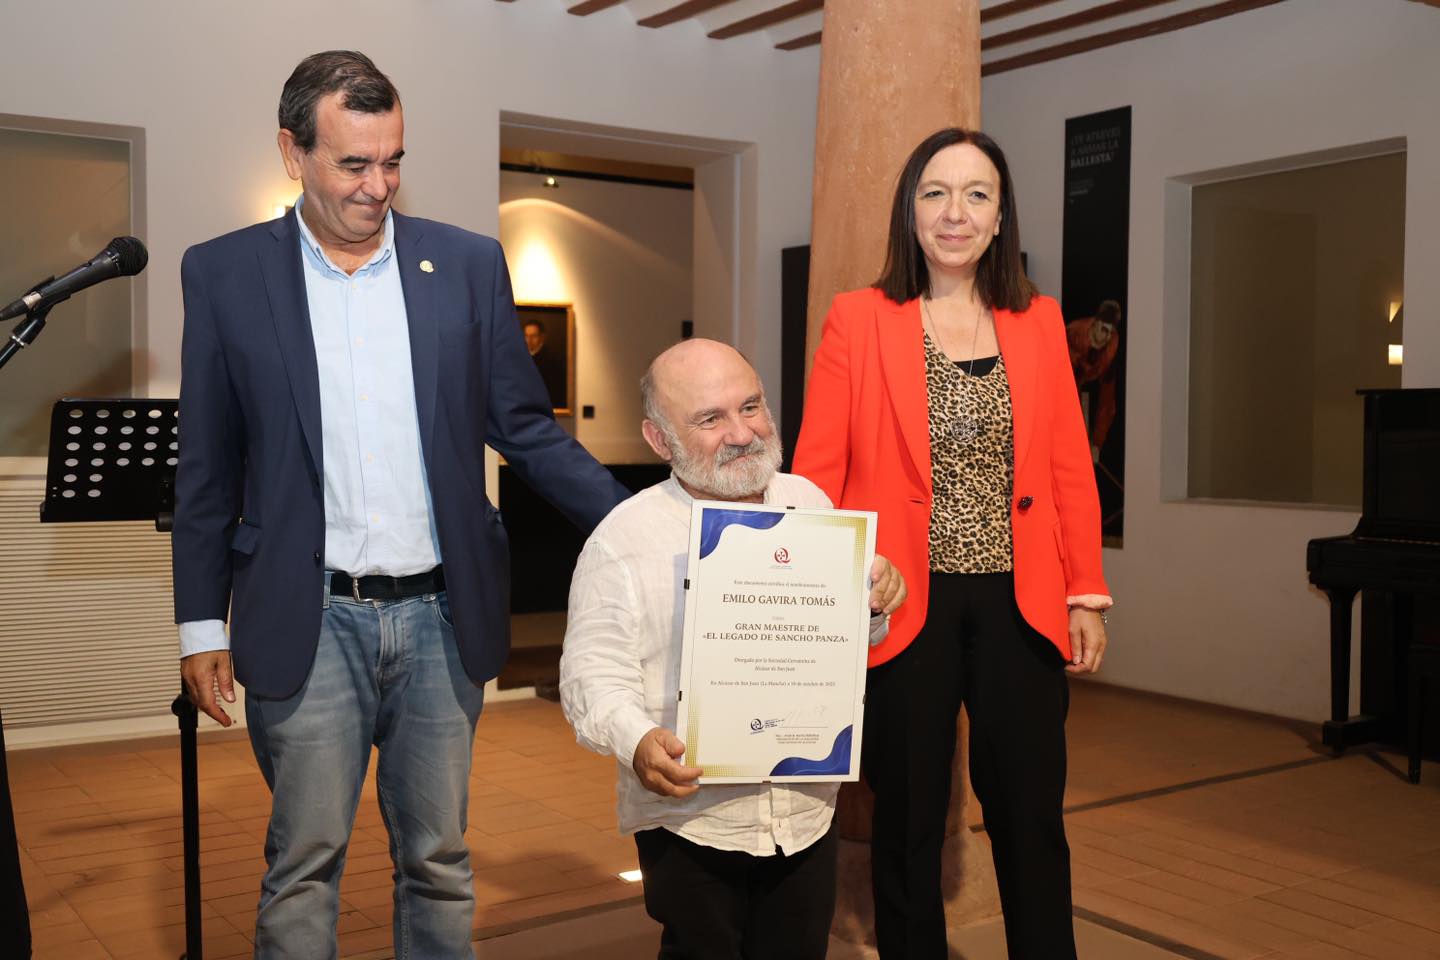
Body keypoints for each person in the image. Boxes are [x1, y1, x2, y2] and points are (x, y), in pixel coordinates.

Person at [171, 51, 629, 959]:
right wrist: (200, 625)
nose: (377, 187)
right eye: (353, 163)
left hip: (440, 621)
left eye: (392, 162)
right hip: (309, 617)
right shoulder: (224, 273)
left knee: (439, 860)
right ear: (292, 153)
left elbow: (525, 429)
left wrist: (639, 520)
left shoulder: (464, 264)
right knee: (304, 865)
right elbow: (207, 468)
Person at [793, 128, 1112, 959]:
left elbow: (1068, 468)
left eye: (977, 195)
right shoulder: (859, 319)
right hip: (902, 604)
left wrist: (1084, 592)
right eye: (935, 193)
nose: (955, 213)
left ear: (1001, 216)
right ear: (910, 211)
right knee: (905, 820)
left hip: (1020, 602)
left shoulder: (1039, 320)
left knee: (1031, 817)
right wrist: (833, 581)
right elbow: (817, 473)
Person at [559, 339, 907, 960]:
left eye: (751, 406)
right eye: (710, 418)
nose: (742, 433)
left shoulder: (810, 505)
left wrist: (875, 602)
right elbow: (592, 678)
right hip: (694, 820)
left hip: (805, 811)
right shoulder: (623, 541)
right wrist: (638, 741)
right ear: (659, 439)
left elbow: (846, 643)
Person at [1065, 299, 1123, 462]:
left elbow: (1107, 402)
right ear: (1095, 323)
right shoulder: (1073, 334)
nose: (1107, 337)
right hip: (1066, 381)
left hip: (1089, 382)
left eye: (1110, 332)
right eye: (1104, 329)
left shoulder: (1111, 346)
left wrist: (1097, 444)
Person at [522, 317, 567, 409]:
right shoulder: (520, 358)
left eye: (533, 336)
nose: (529, 340)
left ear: (542, 337)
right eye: (526, 336)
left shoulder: (552, 361)